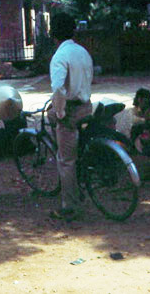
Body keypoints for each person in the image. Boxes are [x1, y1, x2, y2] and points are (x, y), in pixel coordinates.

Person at [47, 12, 93, 221]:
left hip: (72, 111)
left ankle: (68, 206)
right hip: (86, 106)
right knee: (76, 152)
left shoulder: (60, 56)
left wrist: (59, 113)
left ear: (53, 34)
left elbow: (58, 90)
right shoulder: (82, 51)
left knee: (65, 160)